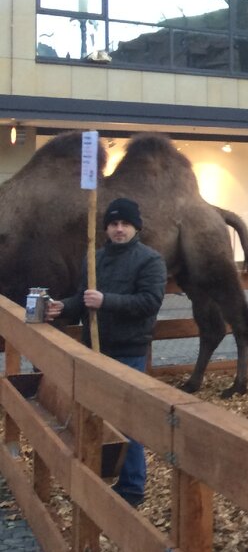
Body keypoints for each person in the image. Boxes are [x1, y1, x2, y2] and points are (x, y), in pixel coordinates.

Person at [46, 197, 167, 508]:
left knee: (128, 420)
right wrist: (63, 308)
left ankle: (132, 487)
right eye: (113, 224)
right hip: (95, 349)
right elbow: (83, 299)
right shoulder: (94, 259)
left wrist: (106, 301)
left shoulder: (150, 261)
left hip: (128, 350)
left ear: (135, 227)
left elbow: (149, 303)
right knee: (93, 415)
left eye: (124, 223)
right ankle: (96, 472)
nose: (118, 229)